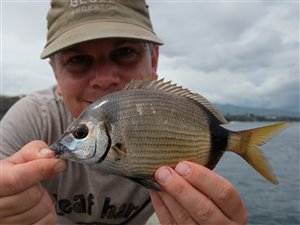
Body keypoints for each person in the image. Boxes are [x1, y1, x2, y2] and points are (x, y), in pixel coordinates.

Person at [0, 0, 248, 224]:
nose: (105, 79)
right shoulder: (30, 121)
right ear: (55, 72)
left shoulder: (182, 120)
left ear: (153, 60)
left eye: (124, 52)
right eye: (78, 60)